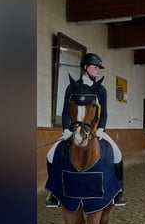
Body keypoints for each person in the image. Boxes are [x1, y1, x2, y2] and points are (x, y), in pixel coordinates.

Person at [45, 53, 126, 207]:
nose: (98, 71)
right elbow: (66, 112)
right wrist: (66, 129)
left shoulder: (101, 89)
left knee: (117, 154)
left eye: (98, 68)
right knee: (50, 155)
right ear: (85, 68)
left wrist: (101, 129)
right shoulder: (72, 87)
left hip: (95, 131)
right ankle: (54, 193)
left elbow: (105, 112)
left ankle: (119, 192)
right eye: (95, 67)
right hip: (74, 130)